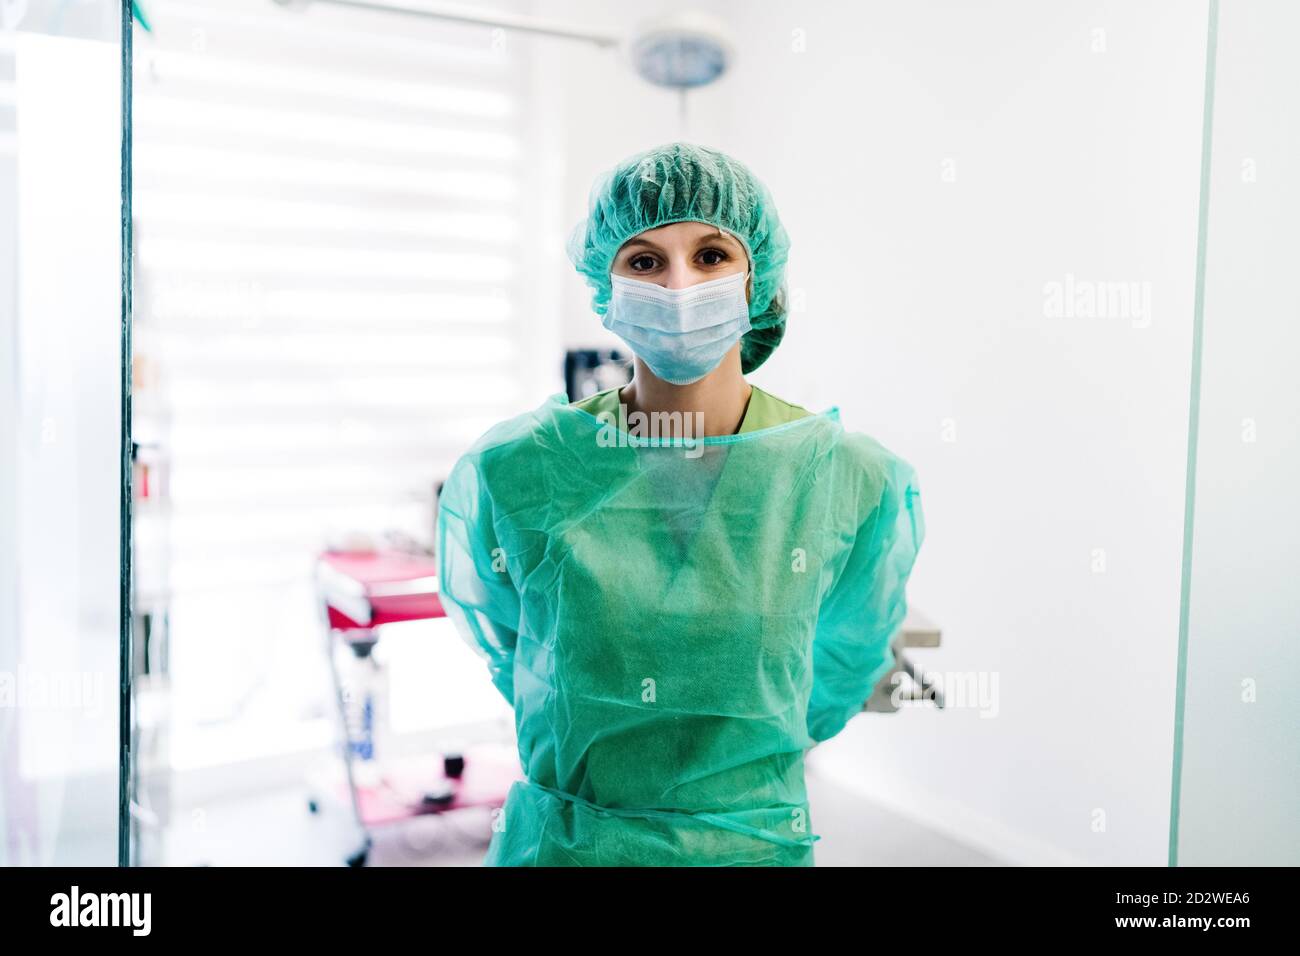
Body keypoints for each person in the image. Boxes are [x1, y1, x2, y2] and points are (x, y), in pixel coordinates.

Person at [436, 142, 925, 866]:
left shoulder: (849, 478)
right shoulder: (518, 469)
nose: (676, 285)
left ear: (756, 275)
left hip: (751, 847)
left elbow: (842, 663)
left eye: (710, 256)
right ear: (606, 283)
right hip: (572, 848)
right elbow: (515, 651)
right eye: (643, 261)